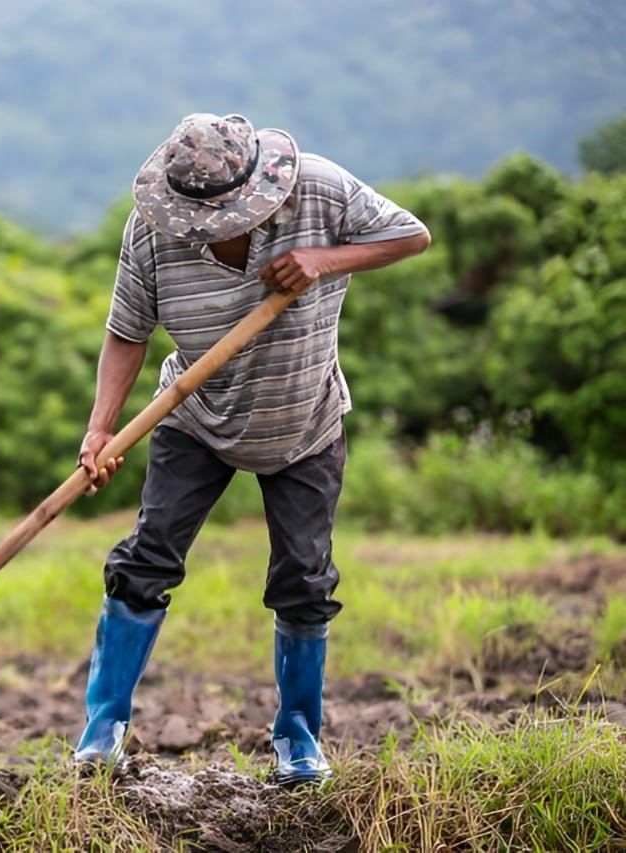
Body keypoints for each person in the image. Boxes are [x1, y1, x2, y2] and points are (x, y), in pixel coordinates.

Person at [75, 113, 431, 784]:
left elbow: (411, 235)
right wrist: (101, 429)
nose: (211, 228)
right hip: (195, 415)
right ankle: (102, 732)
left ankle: (298, 741)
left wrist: (324, 260)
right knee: (146, 559)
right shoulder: (153, 232)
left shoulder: (320, 189)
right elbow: (127, 331)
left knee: (303, 578)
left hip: (305, 420)